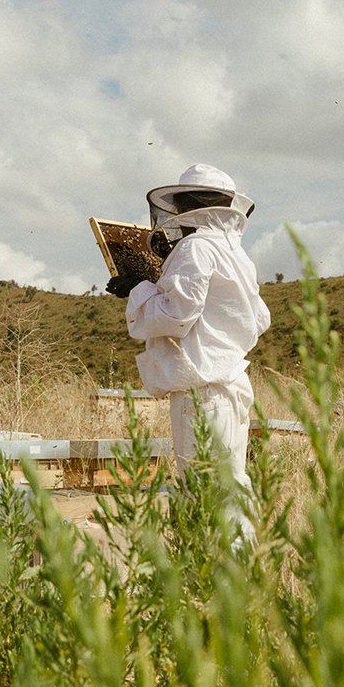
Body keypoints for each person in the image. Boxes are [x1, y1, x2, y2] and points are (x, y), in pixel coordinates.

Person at [106, 164, 271, 543]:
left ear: (191, 205)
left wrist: (140, 289)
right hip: (230, 383)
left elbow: (175, 315)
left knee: (206, 491)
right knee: (231, 488)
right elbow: (259, 318)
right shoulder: (237, 256)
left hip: (204, 392)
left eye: (180, 203)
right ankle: (242, 583)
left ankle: (219, 588)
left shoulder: (196, 248)